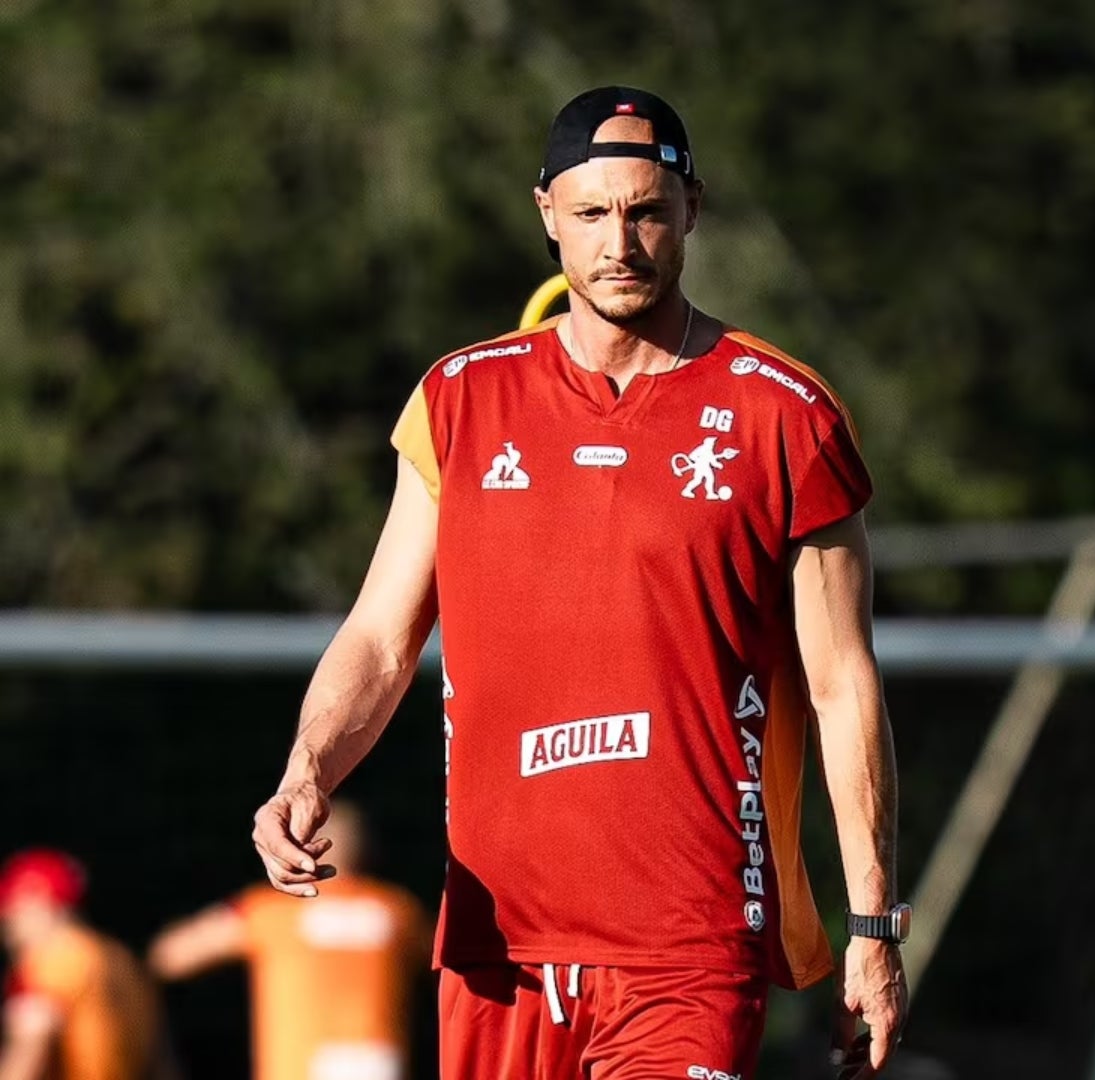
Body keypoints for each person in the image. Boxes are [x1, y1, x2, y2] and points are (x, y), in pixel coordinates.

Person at [248, 85, 907, 1080]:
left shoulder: (786, 414)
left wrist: (873, 920)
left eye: (646, 210)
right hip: (496, 948)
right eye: (594, 213)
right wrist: (307, 775)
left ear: (691, 209)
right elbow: (382, 639)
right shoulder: (459, 399)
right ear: (547, 213)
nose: (622, 242)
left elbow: (842, 682)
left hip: (690, 943)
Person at [150, 802, 429, 1080]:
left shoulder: (272, 910)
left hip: (298, 1063)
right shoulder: (399, 911)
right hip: (379, 1062)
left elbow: (173, 955)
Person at [0, 849, 169, 1080]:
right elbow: (163, 1060)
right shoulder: (121, 959)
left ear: (37, 902)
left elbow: (28, 1052)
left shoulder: (53, 959)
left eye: (11, 911)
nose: (7, 925)